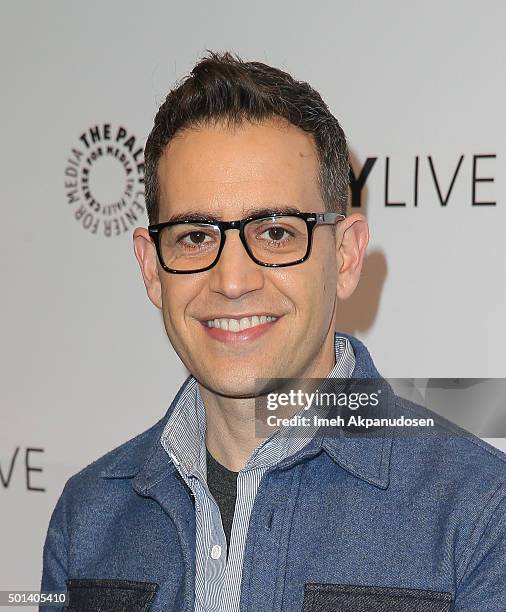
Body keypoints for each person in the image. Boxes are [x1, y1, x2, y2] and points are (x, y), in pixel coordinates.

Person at [40, 50, 506, 612]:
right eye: (194, 237)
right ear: (150, 266)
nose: (232, 280)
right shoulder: (87, 517)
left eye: (277, 234)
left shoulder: (480, 513)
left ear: (347, 256)